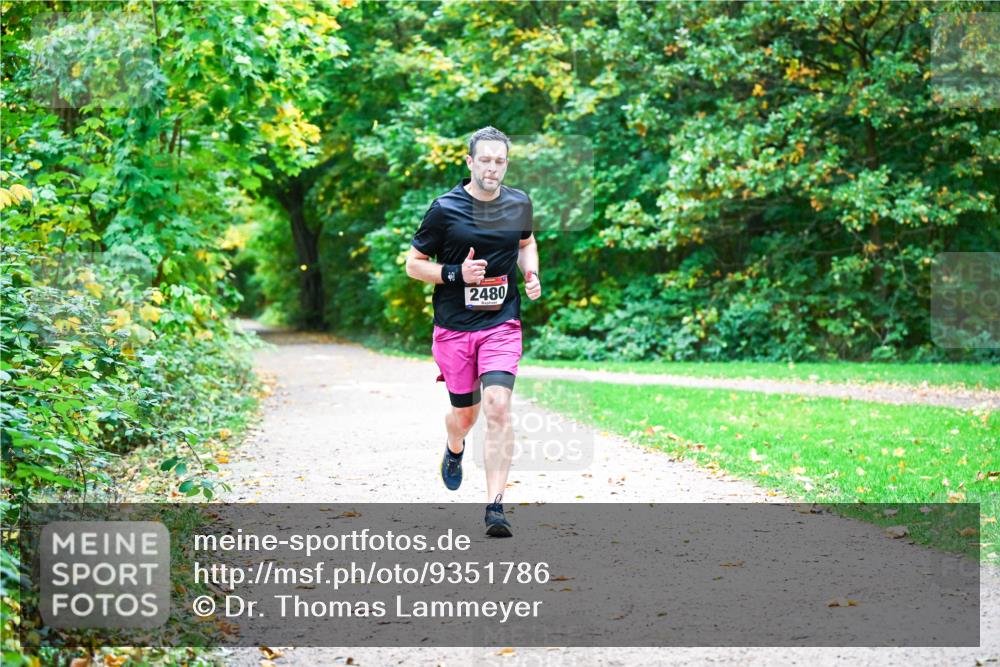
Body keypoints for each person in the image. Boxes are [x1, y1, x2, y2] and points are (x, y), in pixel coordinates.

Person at [405, 126, 541, 537]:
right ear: (469, 162)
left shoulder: (518, 203)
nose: (492, 168)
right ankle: (454, 445)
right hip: (454, 329)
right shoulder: (445, 209)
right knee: (465, 415)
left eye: (499, 161)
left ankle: (495, 506)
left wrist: (531, 273)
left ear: (506, 164)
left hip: (501, 322)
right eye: (484, 159)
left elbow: (526, 243)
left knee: (498, 406)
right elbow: (413, 264)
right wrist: (455, 273)